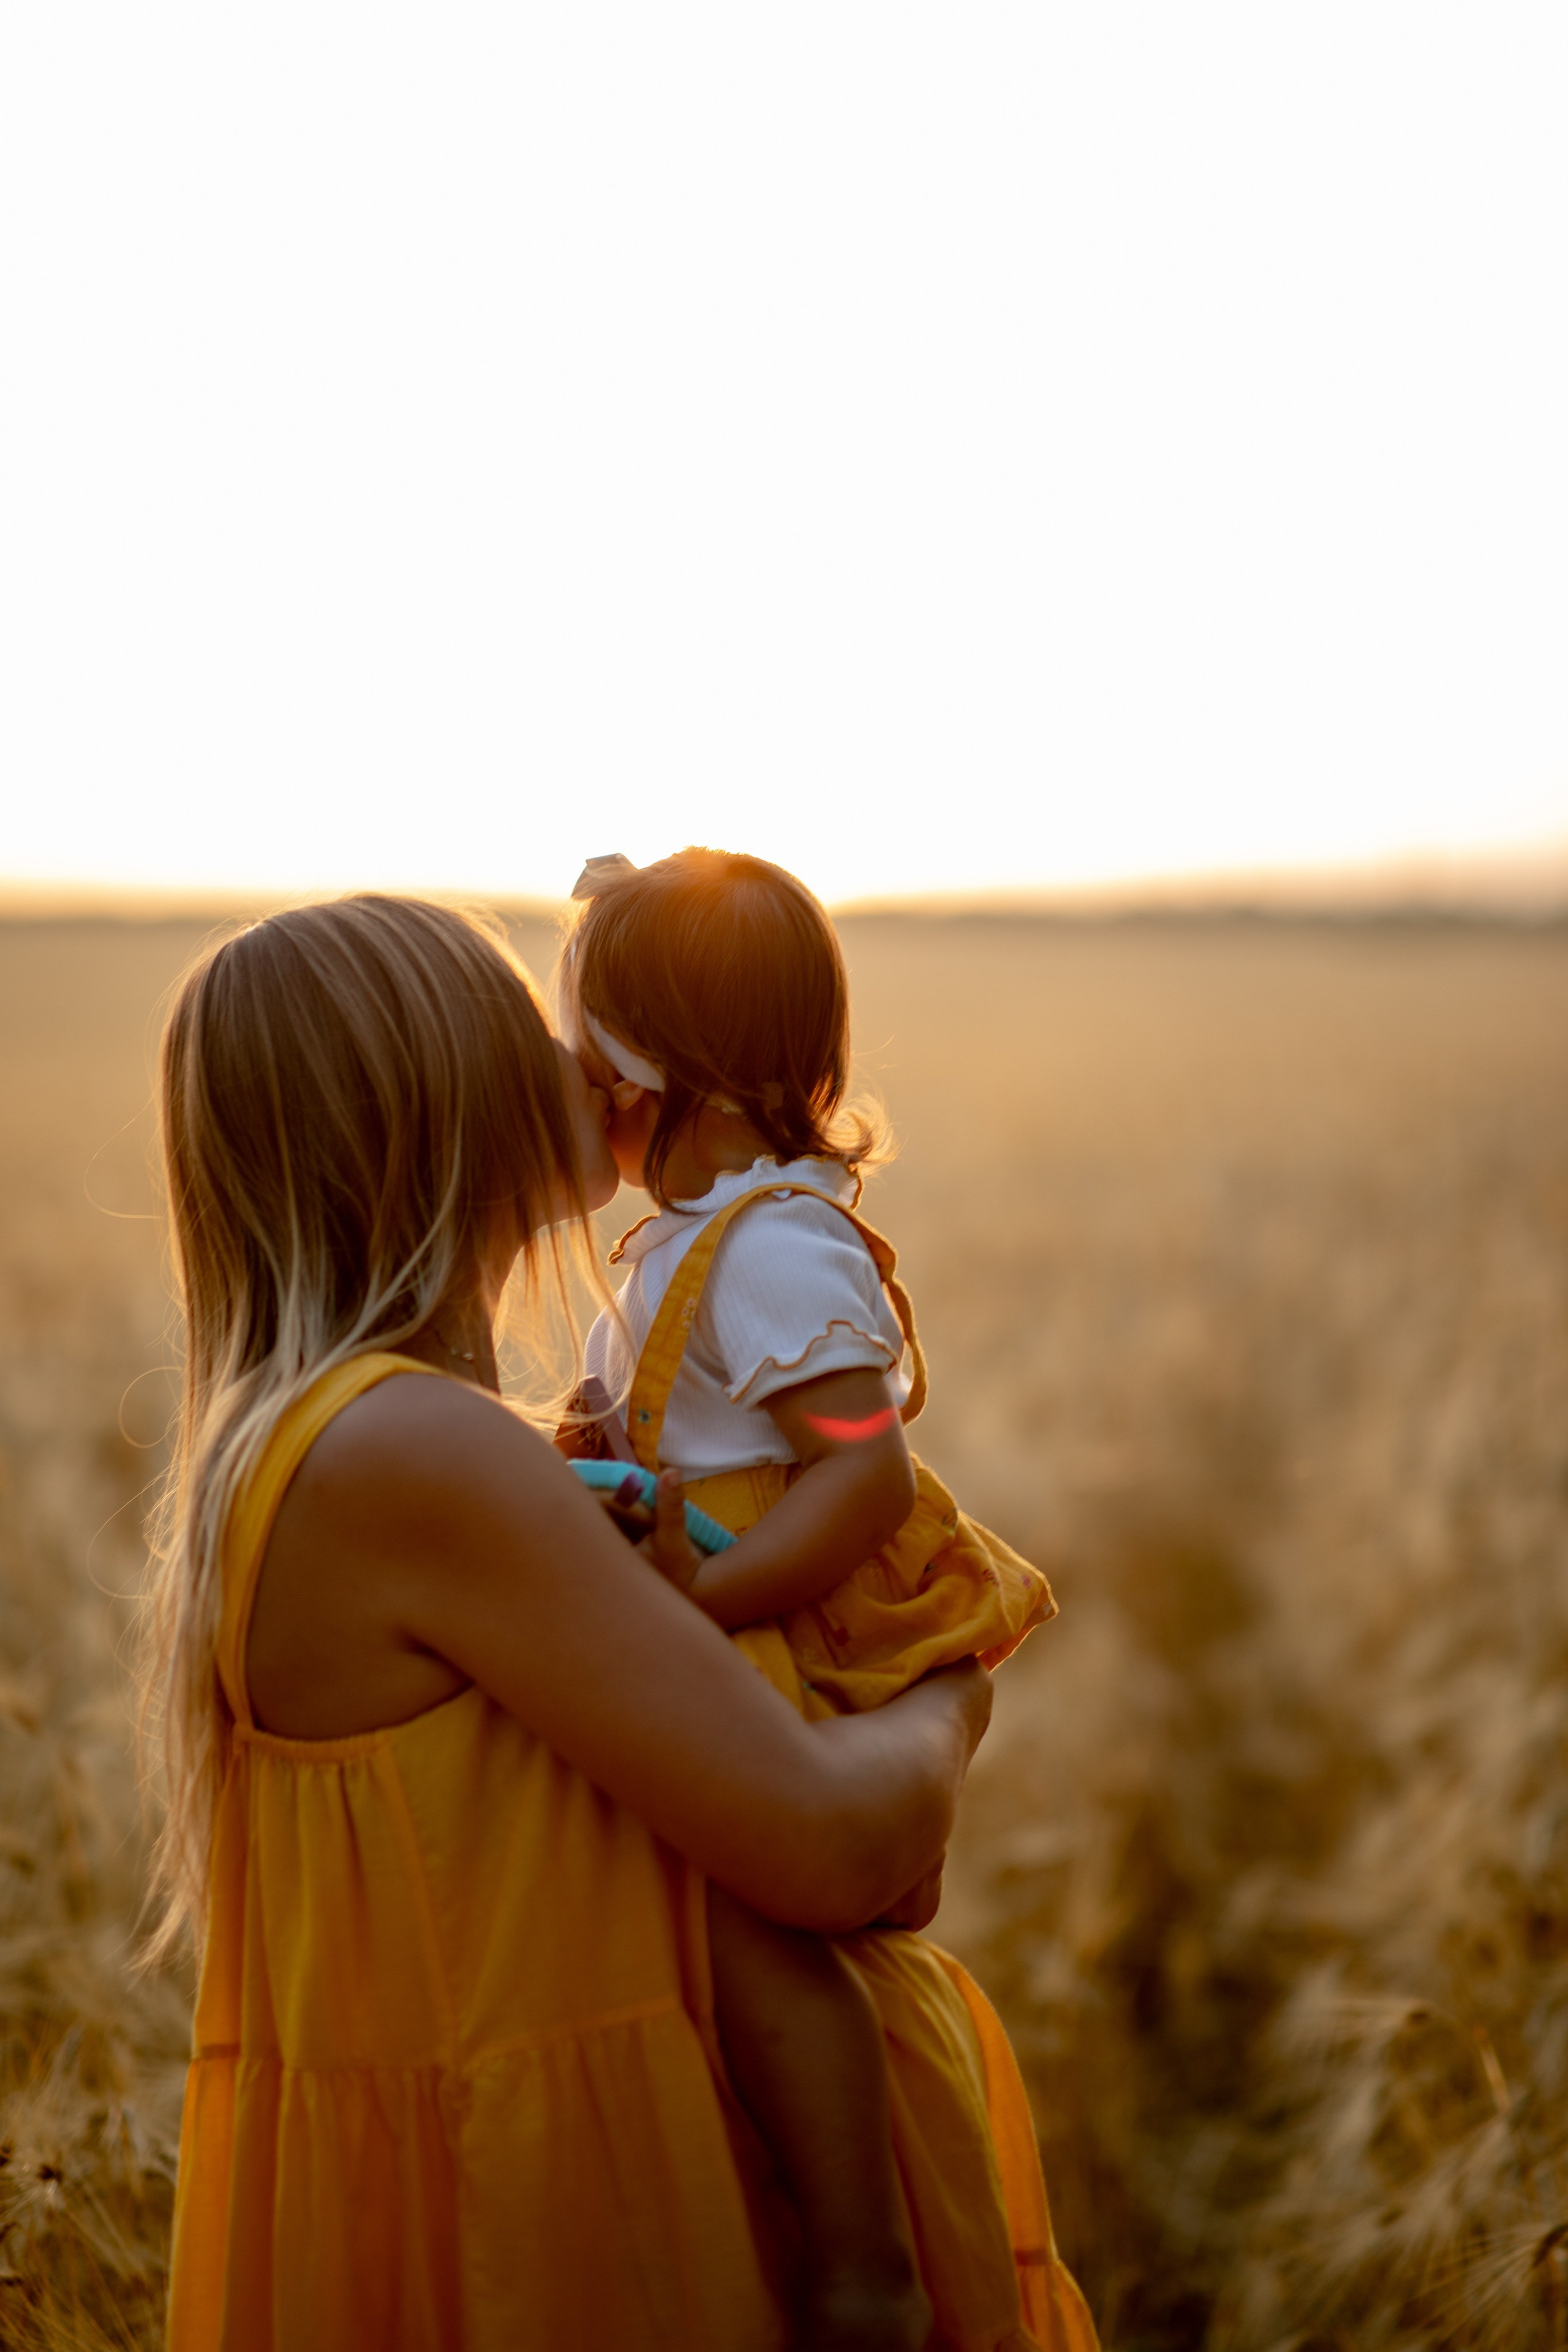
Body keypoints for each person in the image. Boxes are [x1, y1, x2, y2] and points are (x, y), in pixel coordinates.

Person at [146, 894, 998, 2352]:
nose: (582, 1062)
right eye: (531, 1030)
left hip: (543, 2186)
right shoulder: (414, 1452)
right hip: (559, 2236)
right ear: (435, 1107)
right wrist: (948, 1692)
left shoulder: (384, 1444)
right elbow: (827, 1845)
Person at [559, 847, 1098, 2352]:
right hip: (717, 1585)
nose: (564, 1084)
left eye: (578, 1052)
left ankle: (865, 2259)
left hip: (775, 1607)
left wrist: (707, 1604)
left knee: (755, 1924)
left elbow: (859, 1473)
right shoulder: (686, 1244)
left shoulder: (774, 1247)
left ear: (647, 1073)